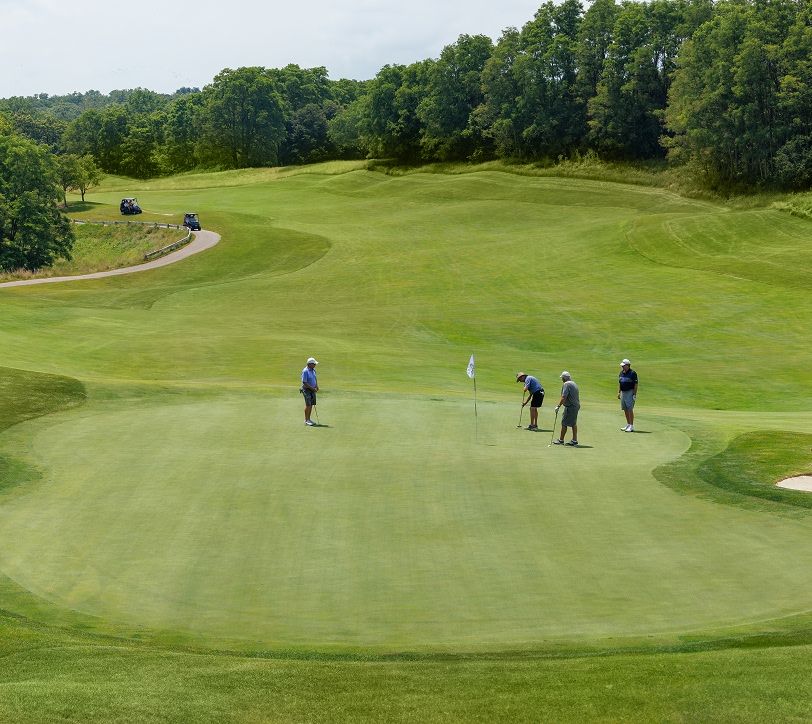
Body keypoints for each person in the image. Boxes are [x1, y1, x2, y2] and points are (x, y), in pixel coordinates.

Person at [553, 371, 580, 446]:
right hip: (575, 405)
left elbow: (564, 397)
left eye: (562, 378)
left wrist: (558, 406)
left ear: (564, 378)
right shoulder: (573, 383)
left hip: (571, 406)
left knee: (564, 423)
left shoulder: (566, 384)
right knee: (573, 423)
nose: (562, 379)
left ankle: (561, 440)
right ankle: (574, 440)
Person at [618, 358, 638, 432]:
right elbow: (620, 383)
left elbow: (636, 384)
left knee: (630, 409)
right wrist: (619, 392)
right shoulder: (621, 373)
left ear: (628, 365)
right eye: (622, 366)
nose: (622, 367)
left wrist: (634, 394)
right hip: (623, 392)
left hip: (630, 392)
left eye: (623, 366)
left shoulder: (633, 373)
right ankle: (628, 424)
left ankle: (631, 426)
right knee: (625, 409)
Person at [300, 357, 319, 426]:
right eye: (314, 364)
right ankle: (306, 420)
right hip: (306, 390)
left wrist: (316, 386)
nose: (315, 365)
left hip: (312, 389)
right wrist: (312, 388)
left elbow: (315, 378)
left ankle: (309, 419)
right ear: (309, 364)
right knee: (308, 405)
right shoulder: (305, 371)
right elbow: (304, 382)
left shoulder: (313, 370)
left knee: (311, 405)